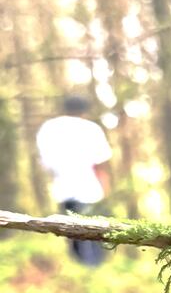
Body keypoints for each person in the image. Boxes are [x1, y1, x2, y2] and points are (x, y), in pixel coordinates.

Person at [36, 95, 113, 266]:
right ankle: (95, 273)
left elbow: (46, 164)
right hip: (90, 191)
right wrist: (105, 190)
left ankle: (82, 271)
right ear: (84, 111)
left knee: (74, 235)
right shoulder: (91, 128)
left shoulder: (48, 129)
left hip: (64, 191)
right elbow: (100, 164)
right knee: (96, 237)